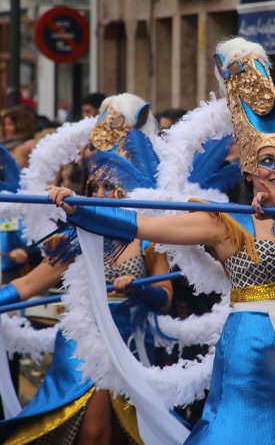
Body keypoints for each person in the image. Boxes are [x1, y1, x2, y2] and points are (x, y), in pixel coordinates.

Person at [49, 37, 275, 444]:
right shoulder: (224, 224)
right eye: (267, 162)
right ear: (248, 171)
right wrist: (79, 208)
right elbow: (145, 226)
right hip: (251, 345)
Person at [0, 103, 172, 445]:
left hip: (127, 344)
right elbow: (29, 284)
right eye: (98, 188)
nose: (105, 195)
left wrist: (137, 289)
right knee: (87, 432)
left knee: (121, 432)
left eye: (113, 188)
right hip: (81, 344)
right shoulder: (79, 235)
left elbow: (164, 298)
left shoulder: (152, 238)